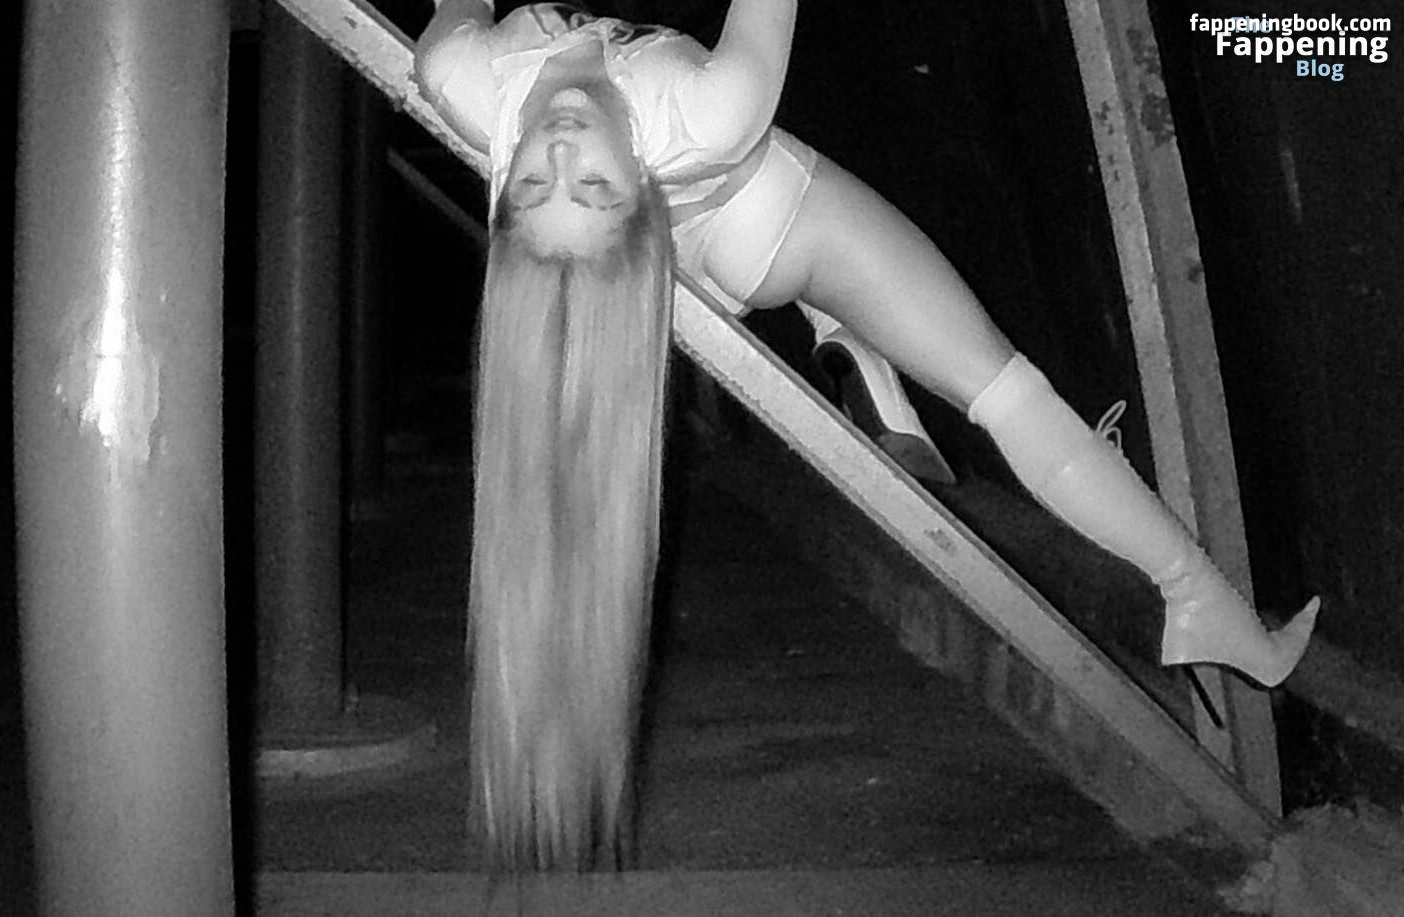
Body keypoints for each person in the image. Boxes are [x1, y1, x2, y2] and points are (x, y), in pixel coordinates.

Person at [413, 0, 1319, 869]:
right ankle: (1194, 595)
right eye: (592, 185)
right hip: (764, 219)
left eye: (536, 181)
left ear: (505, 190)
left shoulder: (463, 75)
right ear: (635, 206)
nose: (560, 147)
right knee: (1002, 386)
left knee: (585, 293)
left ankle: (855, 351)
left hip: (670, 258)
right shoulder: (710, 108)